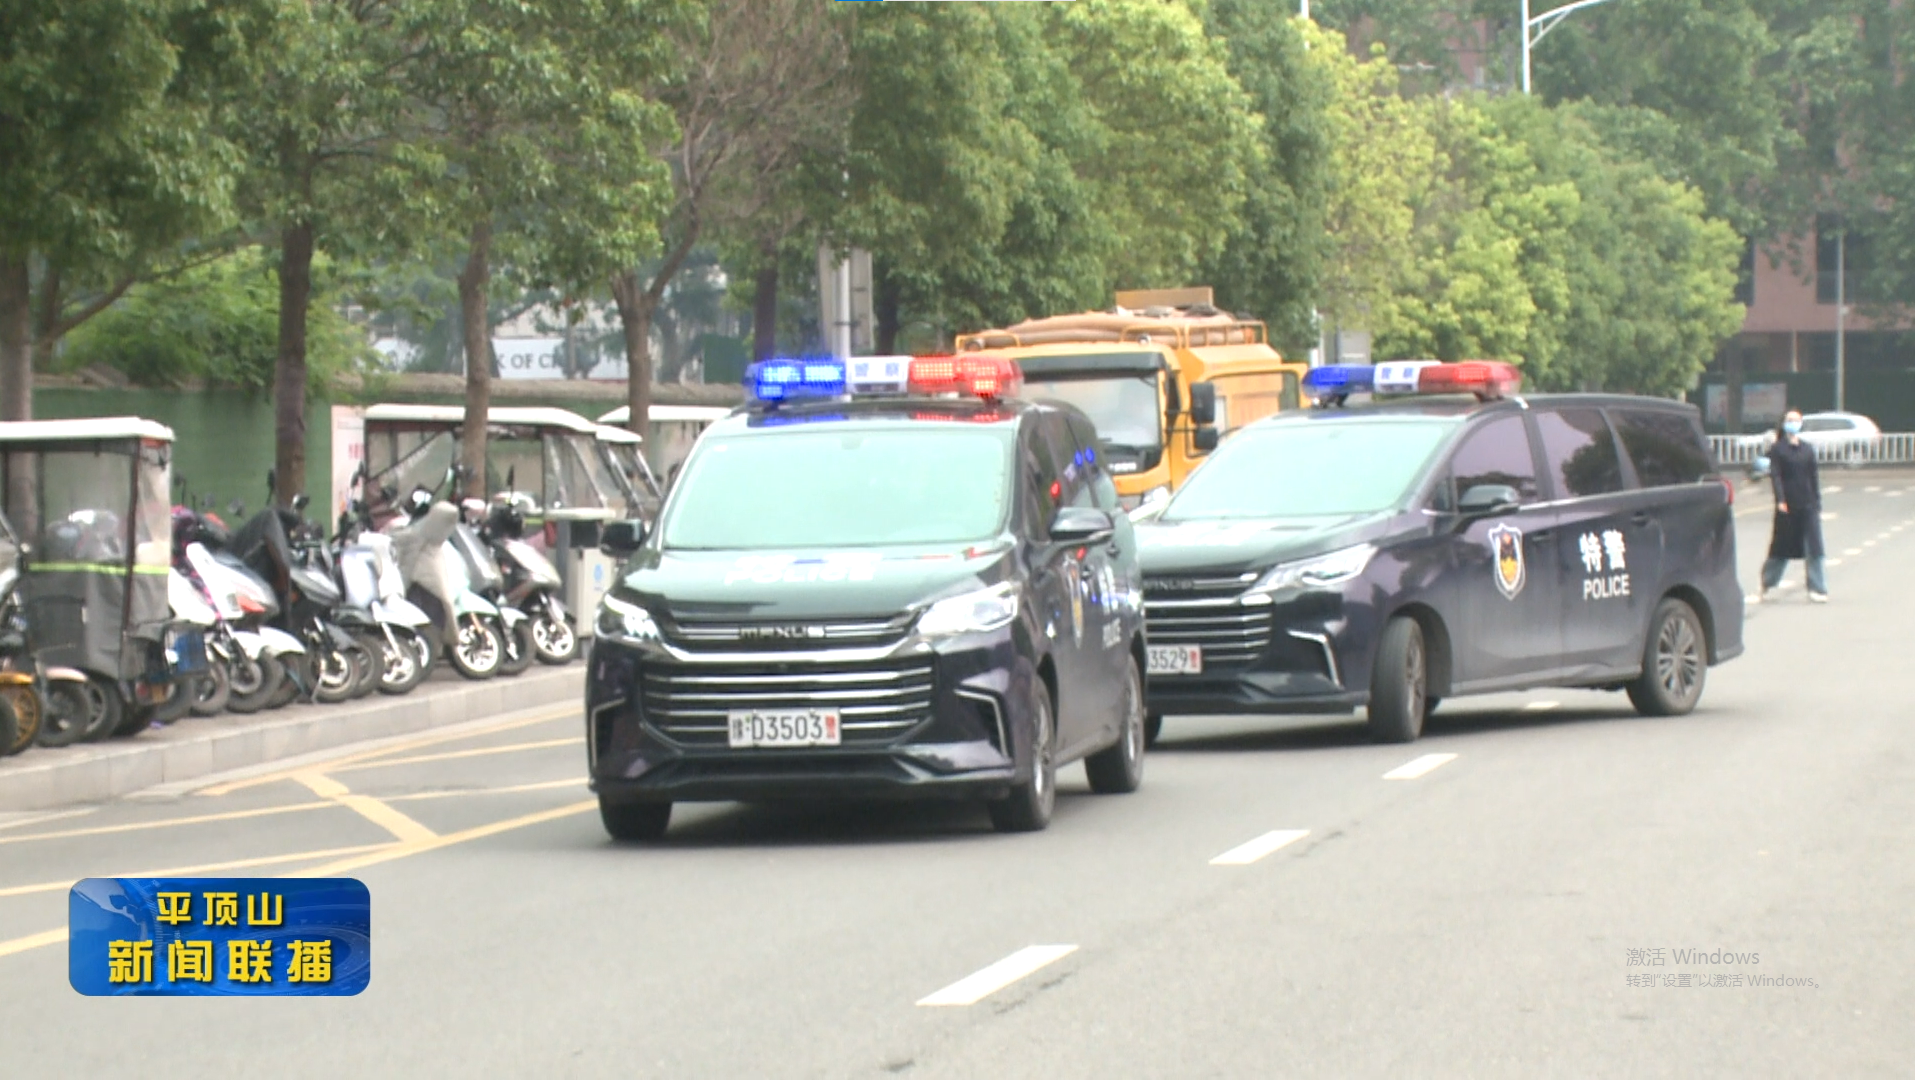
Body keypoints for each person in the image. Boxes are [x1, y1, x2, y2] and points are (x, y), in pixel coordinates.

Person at [1759, 409, 1826, 603]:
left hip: (1808, 504)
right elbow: (1776, 476)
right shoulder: (1778, 449)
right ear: (1784, 423)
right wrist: (1780, 500)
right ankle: (1768, 582)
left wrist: (1817, 502)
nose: (1793, 423)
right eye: (1790, 420)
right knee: (1781, 547)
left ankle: (1817, 587)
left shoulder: (1807, 449)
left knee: (1814, 547)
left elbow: (1813, 477)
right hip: (1787, 505)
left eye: (1796, 420)